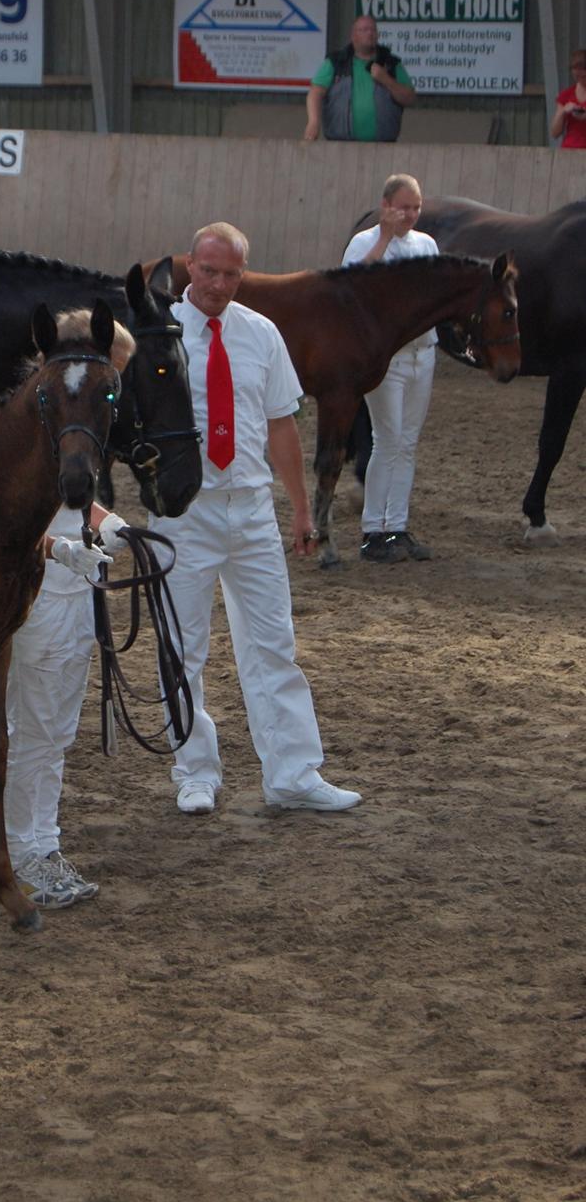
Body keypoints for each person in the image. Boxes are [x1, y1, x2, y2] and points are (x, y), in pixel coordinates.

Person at [149, 222, 361, 817]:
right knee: (183, 646)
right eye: (210, 271)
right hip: (183, 514)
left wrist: (298, 507)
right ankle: (194, 769)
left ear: (244, 274)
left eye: (232, 274)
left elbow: (280, 424)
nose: (219, 284)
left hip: (250, 507)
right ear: (190, 265)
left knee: (273, 643)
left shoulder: (262, 333)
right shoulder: (157, 333)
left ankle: (293, 772)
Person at [5, 311, 134, 910]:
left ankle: (40, 841)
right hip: (40, 596)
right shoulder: (25, 439)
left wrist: (115, 528)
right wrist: (60, 550)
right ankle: (24, 849)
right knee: (35, 729)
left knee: (51, 730)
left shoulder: (73, 432)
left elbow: (77, 505)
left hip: (73, 594)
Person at [342, 174, 438, 563]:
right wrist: (382, 238)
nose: (411, 215)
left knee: (408, 441)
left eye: (416, 207)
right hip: (388, 356)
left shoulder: (427, 244)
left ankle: (396, 524)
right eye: (404, 207)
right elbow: (350, 284)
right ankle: (372, 530)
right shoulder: (364, 242)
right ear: (386, 206)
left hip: (422, 351)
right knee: (388, 439)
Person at [304, 15, 416, 143]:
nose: (369, 33)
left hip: (384, 146)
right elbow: (315, 93)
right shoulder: (336, 62)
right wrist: (313, 122)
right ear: (353, 36)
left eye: (373, 30)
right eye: (364, 30)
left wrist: (386, 79)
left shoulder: (391, 63)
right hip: (340, 145)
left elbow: (409, 98)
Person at [549, 48, 586, 148]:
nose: (582, 73)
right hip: (569, 151)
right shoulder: (566, 95)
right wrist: (562, 112)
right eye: (576, 70)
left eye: (584, 69)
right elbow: (554, 133)